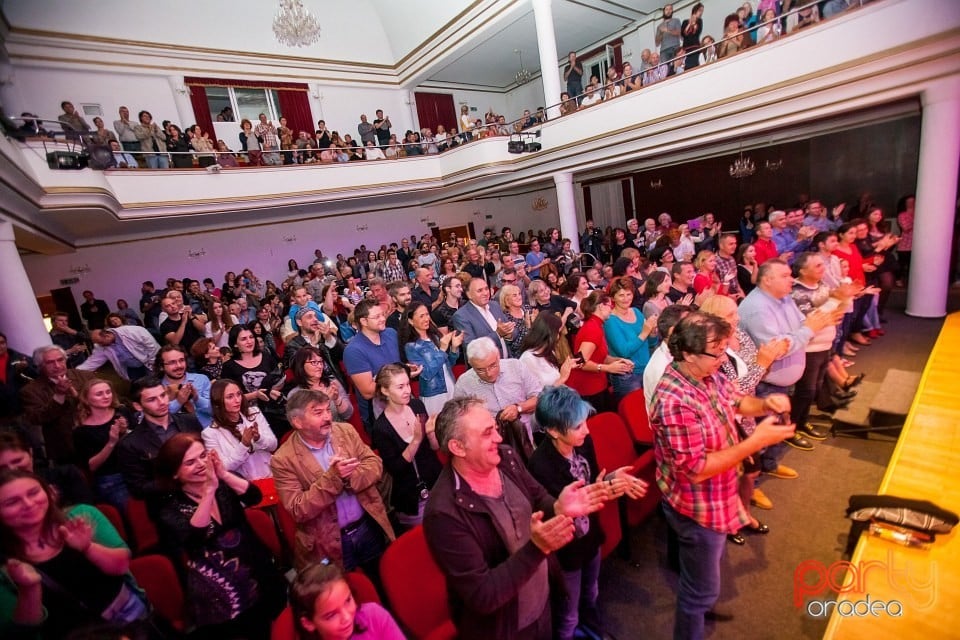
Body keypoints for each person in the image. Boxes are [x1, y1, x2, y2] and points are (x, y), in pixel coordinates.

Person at [650, 312, 796, 640]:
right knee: (698, 591)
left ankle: (702, 601)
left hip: (716, 496)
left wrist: (763, 405)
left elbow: (735, 400)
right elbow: (696, 470)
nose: (722, 358)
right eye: (716, 352)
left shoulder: (708, 373)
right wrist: (756, 442)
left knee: (703, 577)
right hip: (696, 506)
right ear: (687, 353)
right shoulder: (674, 400)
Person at [422, 397, 611, 640]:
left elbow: (538, 497)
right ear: (458, 447)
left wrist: (558, 505)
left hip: (544, 603)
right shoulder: (443, 514)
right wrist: (537, 548)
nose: (499, 439)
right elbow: (483, 595)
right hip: (507, 628)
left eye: (496, 429)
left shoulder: (506, 458)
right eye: (487, 433)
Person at [528, 386, 648, 640]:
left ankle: (592, 628)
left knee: (591, 592)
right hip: (567, 550)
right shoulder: (540, 464)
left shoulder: (584, 443)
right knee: (568, 613)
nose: (587, 430)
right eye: (578, 426)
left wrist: (612, 480)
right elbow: (556, 511)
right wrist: (604, 487)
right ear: (552, 431)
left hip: (590, 536)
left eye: (584, 422)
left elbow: (593, 481)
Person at [154, 434, 285, 636]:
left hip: (256, 570)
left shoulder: (222, 485)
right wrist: (208, 493)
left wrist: (223, 474)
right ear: (174, 473)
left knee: (272, 626)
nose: (200, 464)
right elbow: (195, 537)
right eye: (190, 462)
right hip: (219, 591)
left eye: (203, 456)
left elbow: (254, 496)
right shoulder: (169, 509)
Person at [271, 389, 395, 572]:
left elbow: (374, 464)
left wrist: (349, 477)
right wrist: (334, 478)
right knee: (348, 593)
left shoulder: (345, 431)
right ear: (297, 421)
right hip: (328, 543)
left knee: (382, 580)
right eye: (318, 413)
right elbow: (298, 509)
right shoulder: (283, 459)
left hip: (369, 525)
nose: (328, 417)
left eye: (328, 410)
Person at [369, 364, 442, 531]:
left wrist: (431, 433)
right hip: (412, 497)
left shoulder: (417, 406)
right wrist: (416, 440)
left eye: (408, 384)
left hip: (436, 484)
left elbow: (434, 449)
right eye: (400, 387)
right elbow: (396, 469)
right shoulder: (381, 428)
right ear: (385, 391)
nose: (407, 390)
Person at [20, 345, 97, 465]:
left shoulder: (86, 376)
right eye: (50, 362)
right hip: (66, 449)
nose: (57, 366)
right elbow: (36, 418)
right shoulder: (30, 390)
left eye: (60, 360)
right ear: (40, 366)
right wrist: (59, 396)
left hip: (98, 438)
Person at [290, 562, 406, 640]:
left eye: (348, 600)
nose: (346, 617)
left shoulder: (374, 615)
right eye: (331, 615)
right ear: (308, 623)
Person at [72, 379, 135, 511]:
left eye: (108, 392)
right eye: (99, 394)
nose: (106, 396)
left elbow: (139, 438)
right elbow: (92, 466)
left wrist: (126, 432)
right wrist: (111, 442)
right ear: (87, 399)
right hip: (111, 479)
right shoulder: (82, 431)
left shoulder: (122, 411)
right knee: (131, 510)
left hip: (134, 469)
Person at [202, 379, 278, 482]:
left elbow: (274, 445)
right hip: (242, 487)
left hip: (270, 477)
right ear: (218, 402)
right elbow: (223, 467)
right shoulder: (209, 433)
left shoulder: (254, 413)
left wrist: (259, 438)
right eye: (230, 397)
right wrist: (243, 445)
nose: (237, 400)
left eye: (239, 394)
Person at [400, 302, 462, 416]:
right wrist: (443, 350)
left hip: (451, 386)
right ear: (411, 321)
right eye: (421, 316)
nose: (426, 318)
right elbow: (427, 374)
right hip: (434, 395)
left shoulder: (435, 337)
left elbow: (448, 365)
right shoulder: (412, 346)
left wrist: (453, 348)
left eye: (427, 314)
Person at [604, 277, 657, 401]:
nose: (626, 298)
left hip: (646, 370)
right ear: (613, 298)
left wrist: (653, 332)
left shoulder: (636, 312)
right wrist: (644, 332)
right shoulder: (610, 321)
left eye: (629, 294)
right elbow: (624, 351)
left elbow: (650, 344)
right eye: (621, 295)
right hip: (627, 376)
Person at [287, 346, 354, 422]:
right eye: (314, 362)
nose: (320, 366)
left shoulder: (332, 383)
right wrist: (324, 401)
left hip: (339, 429)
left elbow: (348, 414)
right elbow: (304, 423)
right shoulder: (295, 394)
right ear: (301, 365)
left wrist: (337, 399)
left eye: (321, 362)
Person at [518, 313, 578, 387]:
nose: (558, 336)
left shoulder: (549, 352)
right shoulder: (528, 359)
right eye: (557, 332)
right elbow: (537, 394)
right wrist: (562, 378)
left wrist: (566, 367)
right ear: (549, 333)